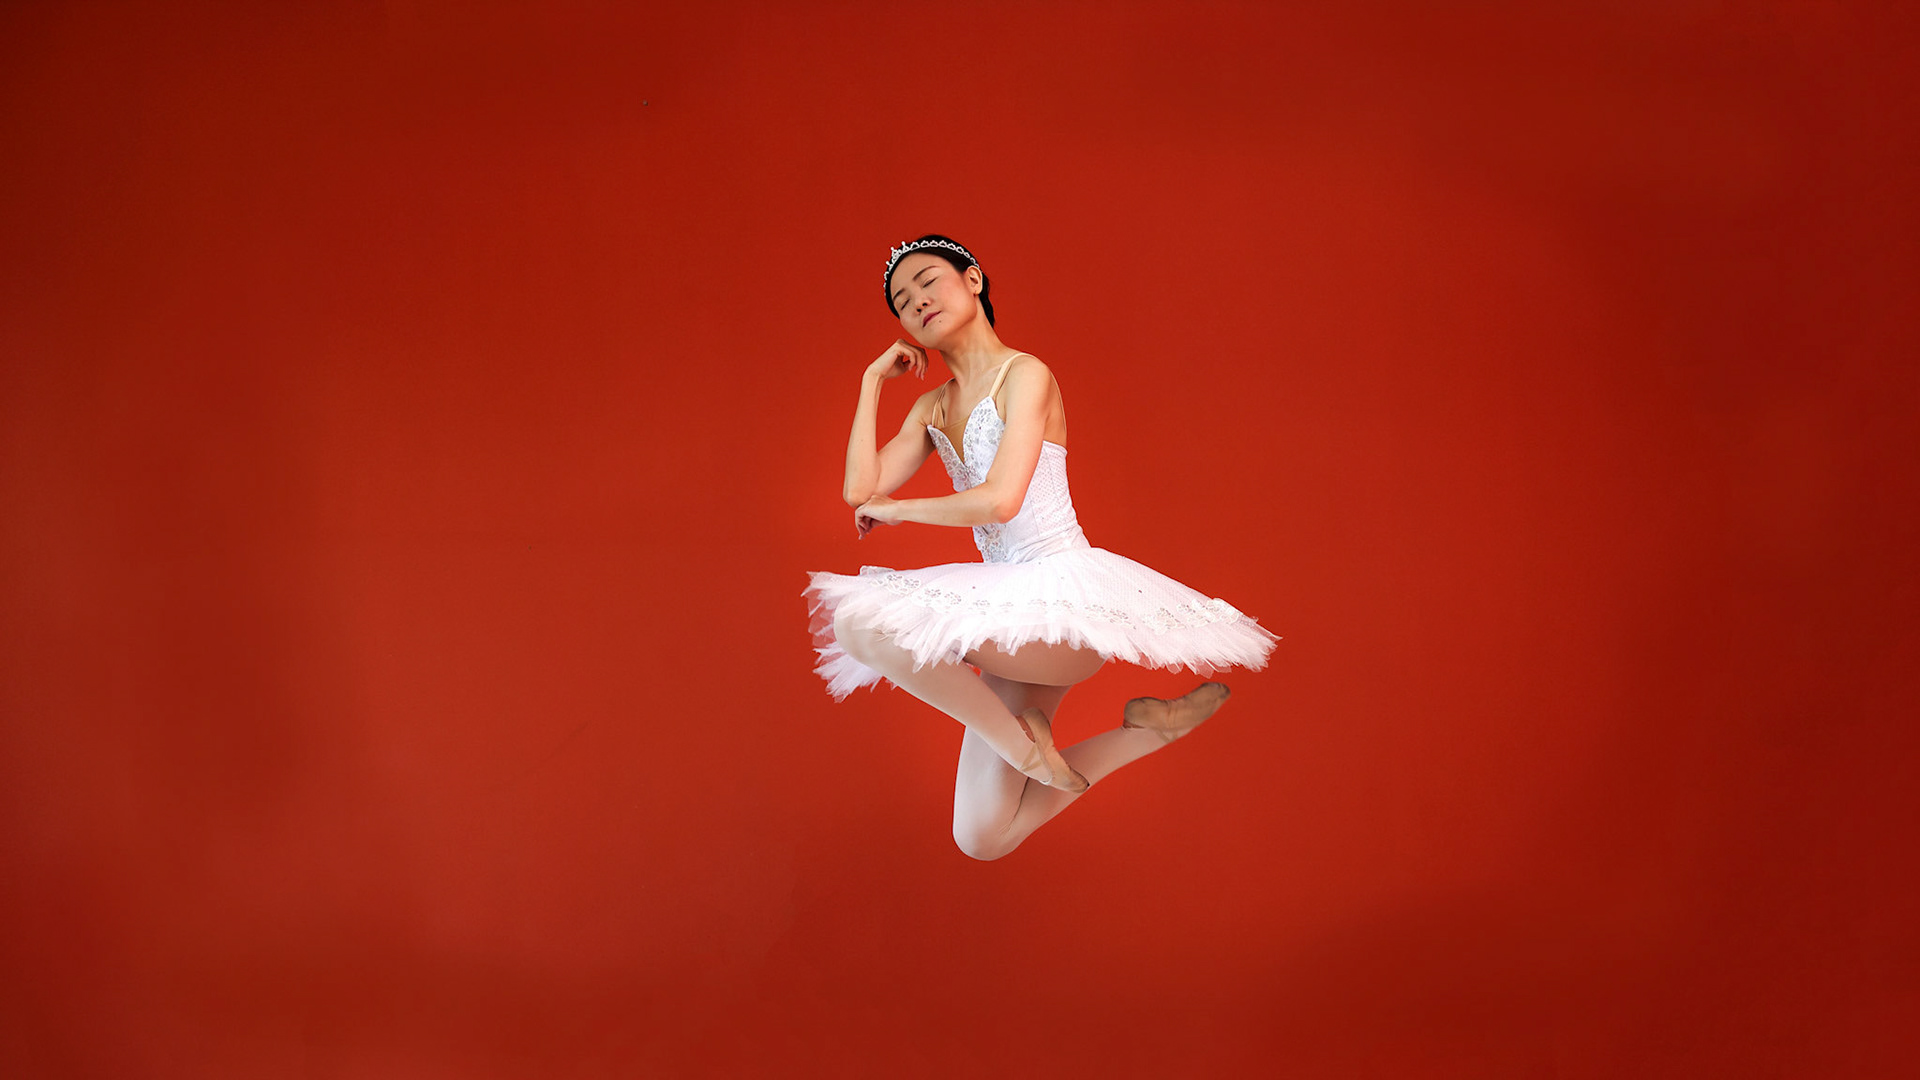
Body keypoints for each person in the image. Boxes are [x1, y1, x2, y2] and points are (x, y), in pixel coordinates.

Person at [803, 234, 1281, 860]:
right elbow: (858, 488)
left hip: (1061, 607)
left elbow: (1001, 500)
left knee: (859, 619)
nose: (916, 300)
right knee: (982, 835)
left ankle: (1022, 745)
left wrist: (899, 512)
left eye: (928, 280)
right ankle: (1146, 733)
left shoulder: (1026, 375)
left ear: (973, 280)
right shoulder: (931, 406)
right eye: (901, 299)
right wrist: (870, 382)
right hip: (1009, 621)